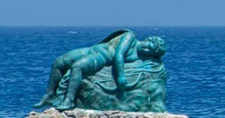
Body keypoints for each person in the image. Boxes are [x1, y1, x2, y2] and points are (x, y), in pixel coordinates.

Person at [35, 30, 167, 110]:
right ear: (147, 39)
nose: (147, 50)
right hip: (94, 49)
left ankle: (68, 101)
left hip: (102, 57)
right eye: (149, 45)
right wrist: (121, 76)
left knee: (78, 67)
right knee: (59, 63)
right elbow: (119, 55)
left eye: (151, 51)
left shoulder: (140, 58)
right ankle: (50, 95)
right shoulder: (130, 37)